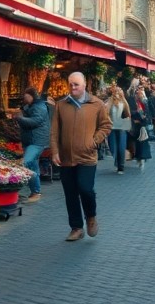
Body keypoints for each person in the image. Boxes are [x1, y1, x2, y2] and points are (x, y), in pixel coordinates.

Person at [50, 72, 112, 242]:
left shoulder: (96, 104)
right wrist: (54, 151)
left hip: (87, 156)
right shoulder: (61, 105)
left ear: (84, 85)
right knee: (70, 193)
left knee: (85, 189)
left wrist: (94, 141)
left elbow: (106, 125)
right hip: (66, 157)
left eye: (76, 84)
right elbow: (54, 131)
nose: (73, 87)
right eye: (70, 84)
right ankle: (76, 228)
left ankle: (91, 216)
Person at [15, 87, 50, 202]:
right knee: (32, 166)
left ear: (31, 96)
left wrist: (20, 118)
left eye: (26, 97)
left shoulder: (39, 107)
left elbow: (35, 121)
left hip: (37, 141)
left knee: (26, 163)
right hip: (30, 141)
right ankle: (35, 192)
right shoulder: (30, 106)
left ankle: (34, 191)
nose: (24, 99)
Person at [107, 86, 131, 174]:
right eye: (116, 90)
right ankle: (117, 162)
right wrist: (110, 121)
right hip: (112, 127)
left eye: (120, 90)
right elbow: (106, 113)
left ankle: (121, 166)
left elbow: (128, 114)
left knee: (121, 146)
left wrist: (123, 98)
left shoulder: (123, 101)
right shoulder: (110, 101)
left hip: (121, 126)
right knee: (113, 147)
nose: (118, 92)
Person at [130, 86, 153, 169]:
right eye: (137, 93)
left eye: (139, 93)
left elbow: (147, 113)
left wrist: (143, 119)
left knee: (142, 142)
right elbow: (130, 113)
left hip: (142, 125)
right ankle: (139, 158)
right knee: (137, 142)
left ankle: (142, 158)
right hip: (136, 126)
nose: (138, 95)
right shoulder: (133, 103)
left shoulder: (144, 102)